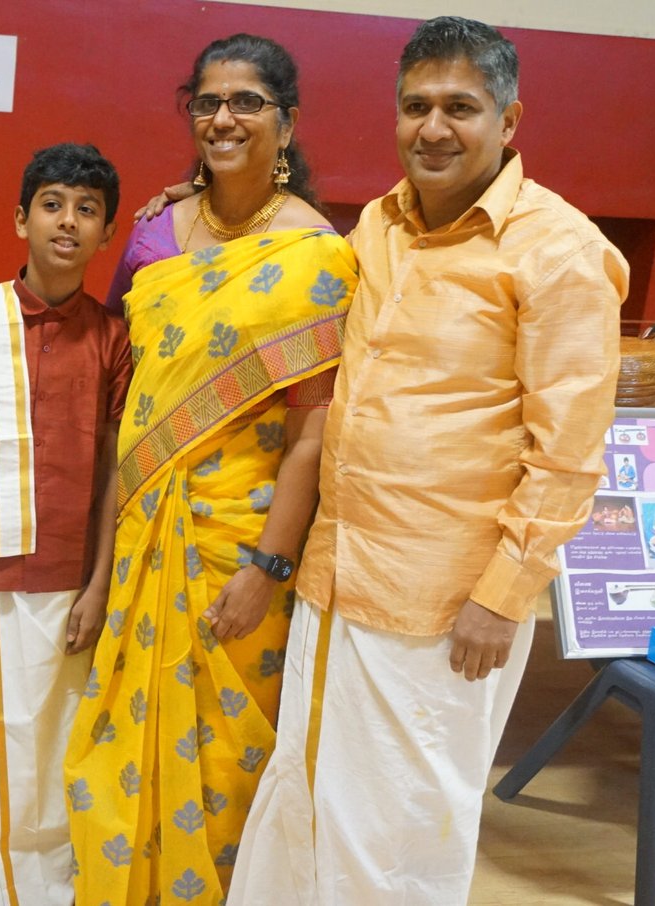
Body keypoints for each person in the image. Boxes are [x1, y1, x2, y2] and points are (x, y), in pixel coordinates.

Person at [226, 18, 628, 905]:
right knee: (305, 798)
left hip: (445, 607)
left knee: (399, 833)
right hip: (336, 580)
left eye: (460, 108)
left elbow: (568, 455)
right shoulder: (380, 225)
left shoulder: (558, 252)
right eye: (416, 107)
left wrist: (502, 597)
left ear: (509, 120)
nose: (433, 128)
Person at [53, 35, 354, 906]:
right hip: (145, 524)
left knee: (229, 759)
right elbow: (128, 385)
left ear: (286, 123)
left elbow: (312, 432)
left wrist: (268, 567)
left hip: (242, 542)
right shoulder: (154, 234)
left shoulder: (318, 255)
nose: (224, 118)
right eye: (208, 102)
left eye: (247, 101)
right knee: (119, 743)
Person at [0, 142, 130, 906]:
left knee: (52, 752)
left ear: (106, 233)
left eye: (86, 210)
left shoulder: (111, 338)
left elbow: (112, 468)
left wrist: (100, 584)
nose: (67, 222)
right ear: (21, 218)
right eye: (52, 205)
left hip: (68, 584)